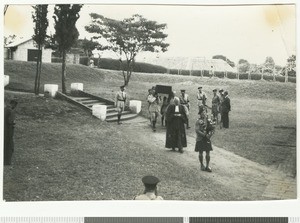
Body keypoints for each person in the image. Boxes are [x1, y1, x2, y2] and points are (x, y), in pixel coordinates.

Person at [195, 107, 215, 172]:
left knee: (208, 152)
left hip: (207, 138)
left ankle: (207, 165)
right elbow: (197, 130)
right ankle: (201, 165)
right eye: (202, 112)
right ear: (200, 114)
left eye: (205, 112)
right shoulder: (198, 121)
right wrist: (204, 135)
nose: (204, 113)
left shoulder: (208, 120)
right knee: (200, 152)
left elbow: (212, 128)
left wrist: (210, 135)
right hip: (200, 138)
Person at [4, 99, 18, 165]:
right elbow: (10, 121)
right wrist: (13, 122)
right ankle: (7, 161)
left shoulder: (4, 109)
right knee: (9, 145)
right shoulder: (10, 111)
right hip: (9, 130)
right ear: (13, 104)